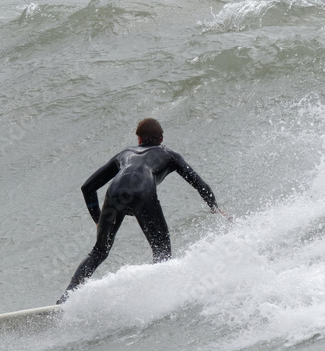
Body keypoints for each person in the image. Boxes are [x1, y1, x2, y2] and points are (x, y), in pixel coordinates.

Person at [58, 118, 224, 304]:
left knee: (99, 251)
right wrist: (214, 208)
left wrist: (99, 220)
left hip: (115, 193)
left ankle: (66, 299)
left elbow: (88, 188)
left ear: (138, 139)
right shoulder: (170, 155)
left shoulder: (125, 154)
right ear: (161, 138)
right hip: (142, 192)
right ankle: (159, 300)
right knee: (162, 253)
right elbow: (199, 184)